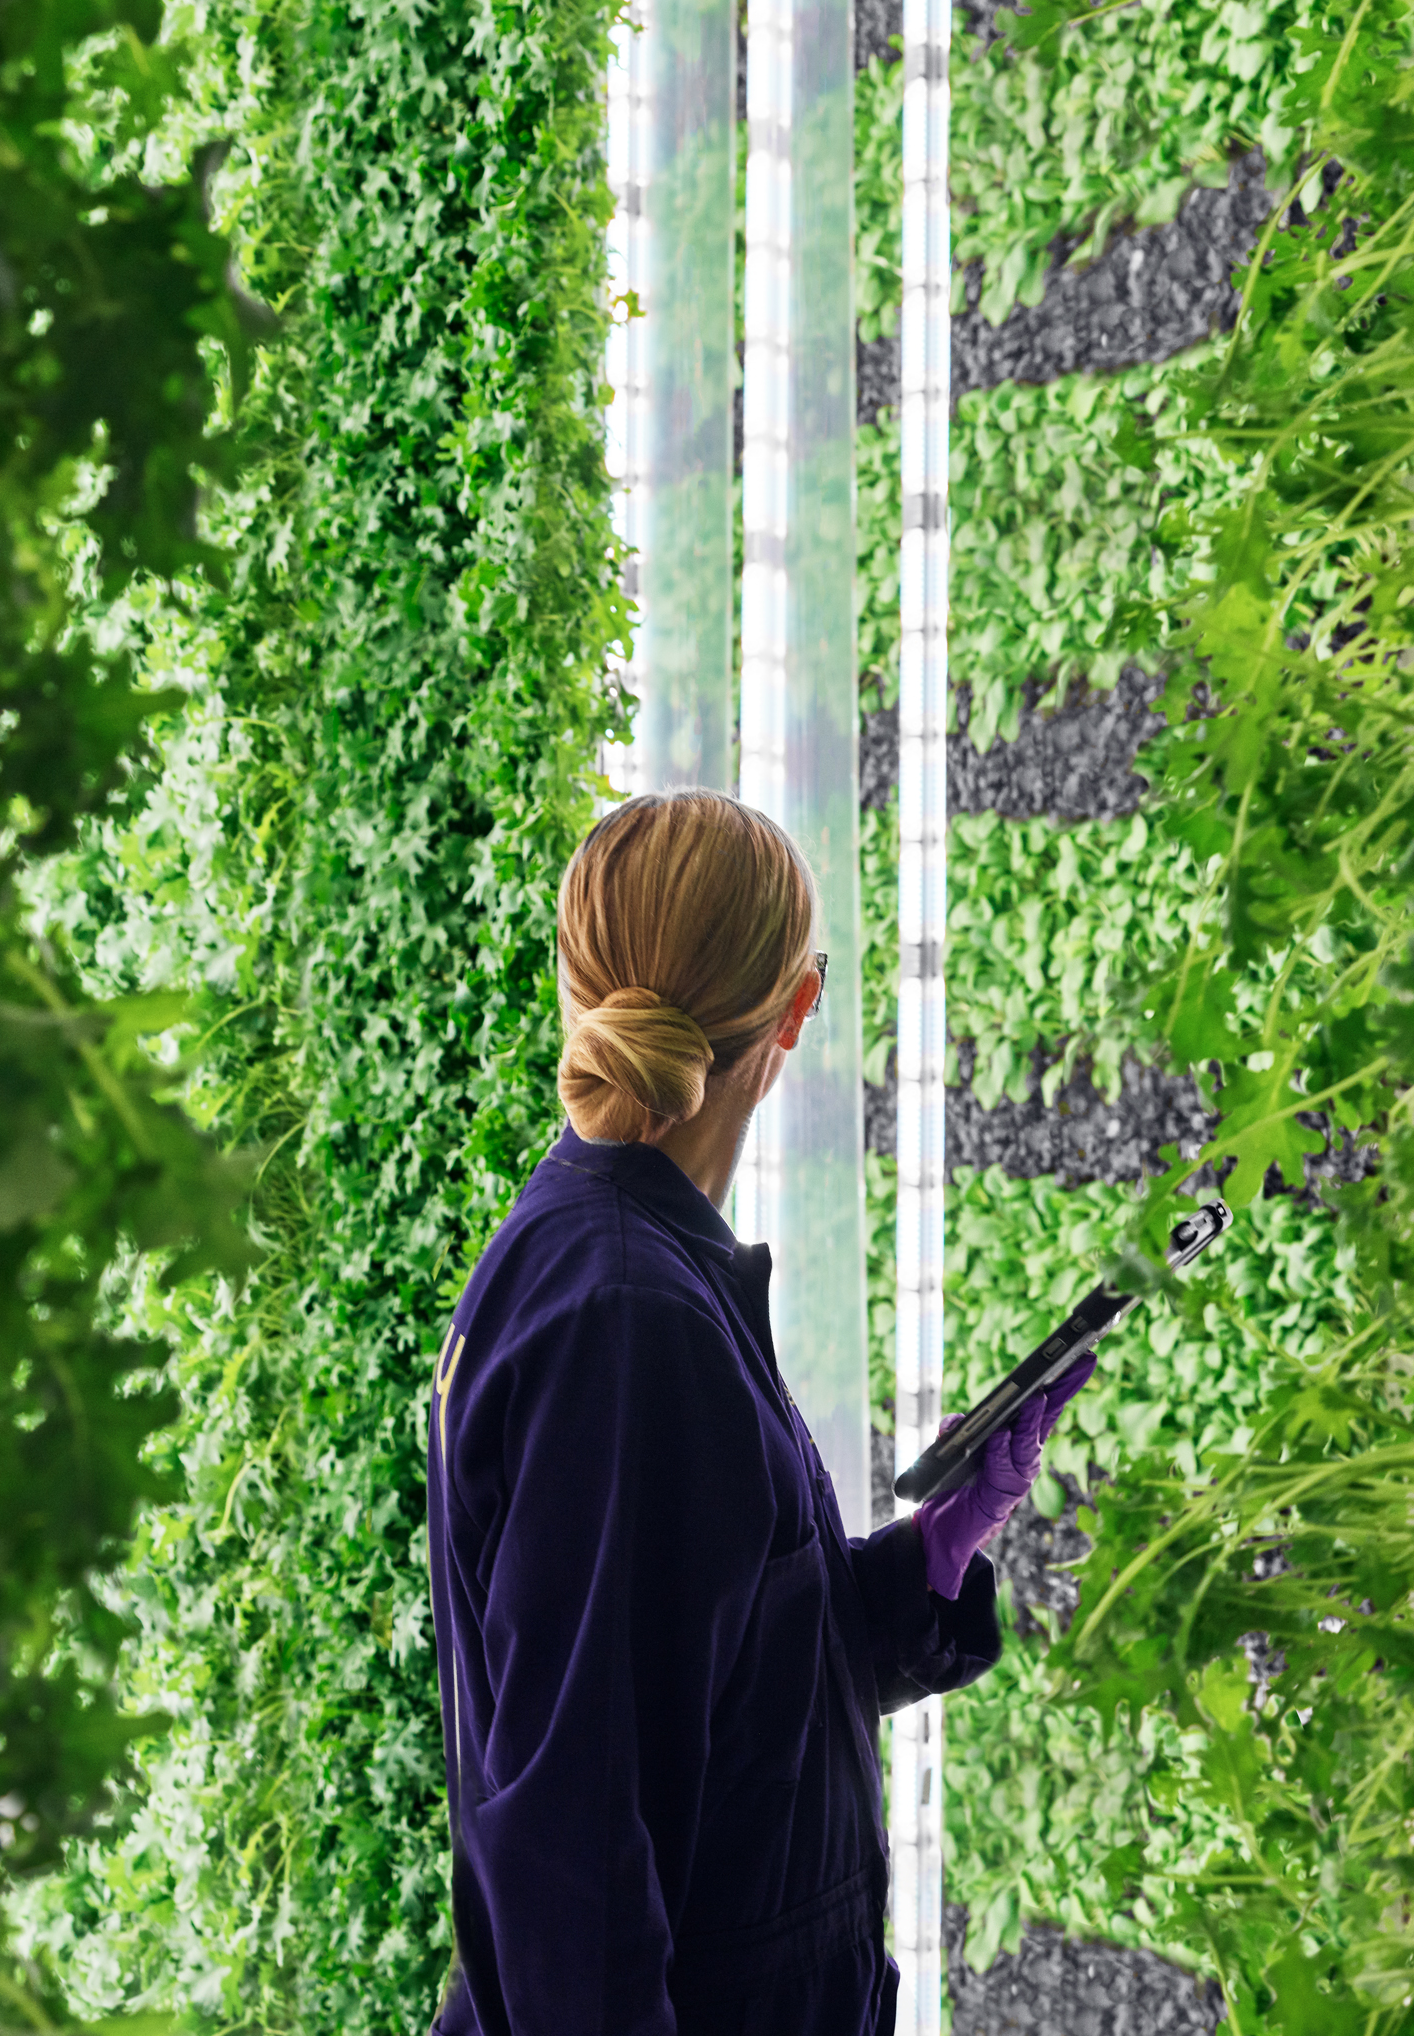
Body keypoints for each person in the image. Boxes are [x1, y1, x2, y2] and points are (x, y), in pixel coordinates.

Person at [426, 789, 1094, 2036]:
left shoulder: (629, 1271)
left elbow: (709, 1681)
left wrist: (928, 1564)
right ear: (797, 1012)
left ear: (577, 984)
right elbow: (570, 1860)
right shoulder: (628, 1323)